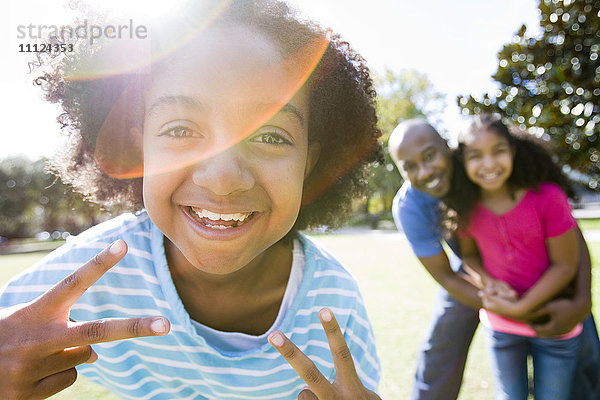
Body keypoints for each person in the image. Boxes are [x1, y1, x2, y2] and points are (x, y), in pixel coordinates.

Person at [0, 1, 382, 398]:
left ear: (309, 163)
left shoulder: (335, 303)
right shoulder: (89, 276)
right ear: (139, 150)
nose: (222, 178)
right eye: (180, 129)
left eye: (270, 136)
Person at [389, 118, 599, 400]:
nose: (425, 171)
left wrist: (582, 300)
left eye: (430, 155)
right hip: (469, 269)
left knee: (578, 337)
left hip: (539, 263)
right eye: (410, 166)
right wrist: (506, 307)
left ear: (449, 149)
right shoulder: (410, 206)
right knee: (441, 345)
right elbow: (447, 276)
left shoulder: (487, 166)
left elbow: (568, 237)